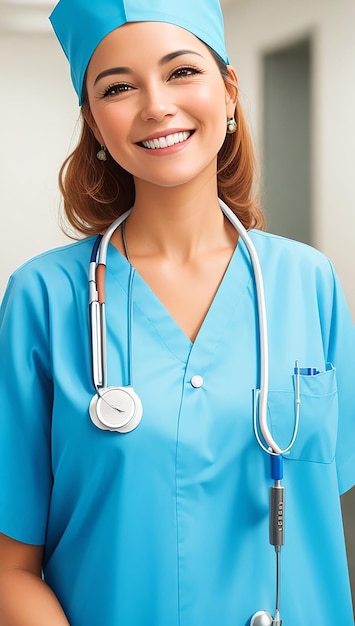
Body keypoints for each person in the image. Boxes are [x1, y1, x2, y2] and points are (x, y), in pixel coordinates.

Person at [0, 0, 354, 624]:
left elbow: (329, 514)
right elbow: (10, 567)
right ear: (95, 123)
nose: (156, 105)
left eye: (182, 71)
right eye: (119, 87)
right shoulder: (43, 298)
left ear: (229, 90)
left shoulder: (308, 282)